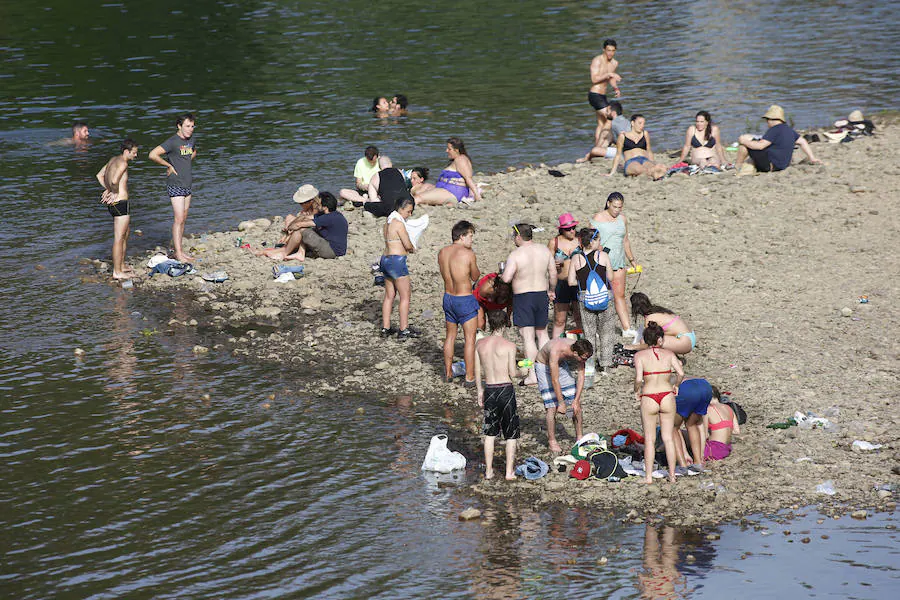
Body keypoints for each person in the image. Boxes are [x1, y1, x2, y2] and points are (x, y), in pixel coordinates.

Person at [500, 223, 556, 385]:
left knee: (528, 337)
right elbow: (552, 273)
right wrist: (552, 290)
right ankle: (548, 370)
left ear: (518, 237)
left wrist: (502, 273)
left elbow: (506, 278)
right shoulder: (544, 250)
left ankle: (533, 375)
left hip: (524, 297)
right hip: (541, 294)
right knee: (543, 333)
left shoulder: (516, 254)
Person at [633, 322, 684, 484]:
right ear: (660, 339)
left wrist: (636, 391)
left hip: (649, 396)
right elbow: (681, 373)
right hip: (667, 394)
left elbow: (639, 379)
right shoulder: (669, 354)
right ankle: (672, 475)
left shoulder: (639, 356)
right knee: (668, 438)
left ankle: (648, 477)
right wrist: (676, 385)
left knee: (649, 439)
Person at [475, 310, 520, 480]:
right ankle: (509, 472)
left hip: (490, 389)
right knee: (510, 433)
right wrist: (525, 371)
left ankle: (488, 471)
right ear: (504, 324)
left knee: (489, 433)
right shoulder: (509, 346)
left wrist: (480, 390)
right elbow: (513, 373)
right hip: (505, 389)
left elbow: (477, 371)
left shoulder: (479, 345)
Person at [149, 113, 197, 263]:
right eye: (187, 126)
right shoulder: (172, 142)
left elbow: (193, 152)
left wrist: (184, 162)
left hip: (187, 183)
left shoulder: (191, 140)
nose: (190, 129)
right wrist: (169, 165)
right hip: (175, 184)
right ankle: (178, 253)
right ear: (179, 126)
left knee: (184, 219)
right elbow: (153, 154)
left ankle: (180, 251)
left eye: (192, 126)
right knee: (178, 219)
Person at [438, 220, 481, 386]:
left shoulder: (442, 252)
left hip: (448, 297)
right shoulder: (467, 254)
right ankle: (469, 377)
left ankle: (448, 372)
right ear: (462, 236)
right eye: (470, 236)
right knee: (470, 339)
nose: (472, 240)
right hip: (464, 298)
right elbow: (475, 277)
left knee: (450, 336)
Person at [567, 228, 617, 371]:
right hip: (605, 296)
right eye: (599, 240)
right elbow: (611, 278)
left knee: (589, 332)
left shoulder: (576, 258)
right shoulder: (603, 256)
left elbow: (571, 282)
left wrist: (585, 283)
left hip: (585, 297)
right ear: (593, 241)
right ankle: (606, 364)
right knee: (606, 331)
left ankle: (589, 365)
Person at [590, 192, 637, 339]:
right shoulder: (598, 218)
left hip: (618, 262)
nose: (617, 210)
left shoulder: (622, 219)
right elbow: (590, 240)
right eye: (615, 207)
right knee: (599, 296)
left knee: (620, 295)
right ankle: (597, 329)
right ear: (608, 203)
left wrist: (632, 260)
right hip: (601, 262)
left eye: (620, 207)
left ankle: (626, 327)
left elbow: (625, 241)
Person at [534, 338, 593, 453]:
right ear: (575, 353)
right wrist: (561, 403)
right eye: (584, 358)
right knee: (551, 407)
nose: (584, 361)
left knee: (576, 406)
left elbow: (581, 377)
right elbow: (555, 380)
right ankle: (552, 441)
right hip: (543, 365)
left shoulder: (580, 349)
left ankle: (579, 437)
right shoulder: (556, 350)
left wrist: (576, 400)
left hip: (560, 364)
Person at [256, 190, 347, 261]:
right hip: (333, 247)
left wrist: (291, 228)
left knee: (303, 229)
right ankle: (297, 252)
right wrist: (298, 220)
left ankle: (285, 253)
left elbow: (300, 225)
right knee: (306, 228)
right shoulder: (330, 215)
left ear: (325, 207)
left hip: (332, 251)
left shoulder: (328, 218)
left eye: (318, 204)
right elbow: (305, 218)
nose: (316, 205)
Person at [96, 139, 139, 280]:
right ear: (126, 152)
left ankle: (121, 265)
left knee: (125, 234)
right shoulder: (123, 163)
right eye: (134, 153)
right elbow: (114, 181)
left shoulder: (113, 159)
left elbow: (99, 175)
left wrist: (107, 189)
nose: (136, 155)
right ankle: (117, 271)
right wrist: (113, 191)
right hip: (119, 203)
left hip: (115, 204)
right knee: (119, 238)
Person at [380, 197, 421, 340]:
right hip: (397, 261)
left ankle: (386, 327)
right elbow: (407, 244)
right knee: (405, 296)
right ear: (401, 209)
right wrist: (413, 248)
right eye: (408, 212)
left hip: (385, 259)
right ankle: (403, 329)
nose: (409, 215)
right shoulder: (398, 223)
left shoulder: (388, 222)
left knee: (389, 295)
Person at [735, 105, 821, 173]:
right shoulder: (789, 130)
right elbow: (803, 141)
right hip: (783, 166)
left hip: (771, 165)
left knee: (744, 146)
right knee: (752, 143)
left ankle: (737, 166)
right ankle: (746, 165)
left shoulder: (774, 130)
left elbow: (760, 146)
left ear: (770, 120)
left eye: (767, 120)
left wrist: (743, 141)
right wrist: (812, 158)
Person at [414, 137, 482, 206]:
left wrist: (477, 195)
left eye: (449, 149)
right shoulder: (458, 159)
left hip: (453, 192)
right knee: (419, 190)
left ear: (456, 150)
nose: (446, 151)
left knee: (418, 198)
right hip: (447, 188)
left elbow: (468, 178)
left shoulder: (461, 160)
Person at [628, 292, 696, 355]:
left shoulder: (649, 319)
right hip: (689, 336)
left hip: (685, 342)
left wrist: (633, 347)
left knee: (646, 342)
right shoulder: (658, 309)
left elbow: (648, 342)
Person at [548, 213, 582, 338]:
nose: (572, 231)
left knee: (579, 317)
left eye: (574, 228)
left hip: (577, 282)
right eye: (568, 229)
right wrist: (553, 264)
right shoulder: (554, 242)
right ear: (562, 229)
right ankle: (556, 344)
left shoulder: (580, 240)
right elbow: (547, 261)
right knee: (559, 319)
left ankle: (583, 344)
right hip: (561, 282)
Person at [672, 377, 715, 471]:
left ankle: (682, 465)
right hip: (705, 386)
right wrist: (702, 454)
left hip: (686, 389)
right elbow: (702, 427)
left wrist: (685, 454)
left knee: (673, 428)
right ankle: (698, 462)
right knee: (692, 424)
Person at [608, 114, 667, 180]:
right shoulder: (623, 136)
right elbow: (618, 155)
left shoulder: (645, 134)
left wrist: (652, 163)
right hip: (631, 161)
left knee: (653, 167)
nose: (642, 126)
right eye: (640, 123)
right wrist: (612, 172)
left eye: (643, 124)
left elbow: (649, 151)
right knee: (639, 169)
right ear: (632, 123)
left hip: (644, 159)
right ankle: (655, 175)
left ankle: (655, 173)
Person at [587, 39, 622, 148]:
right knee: (610, 117)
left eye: (613, 50)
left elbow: (611, 79)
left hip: (603, 95)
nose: (610, 53)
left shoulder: (614, 63)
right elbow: (594, 79)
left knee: (601, 123)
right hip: (594, 94)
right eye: (608, 50)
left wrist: (615, 88)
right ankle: (601, 146)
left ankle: (597, 147)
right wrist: (609, 74)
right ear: (604, 50)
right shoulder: (597, 60)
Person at [704, 385, 740, 461]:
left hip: (713, 450)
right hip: (726, 448)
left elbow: (704, 435)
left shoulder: (708, 410)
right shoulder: (729, 408)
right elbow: (736, 431)